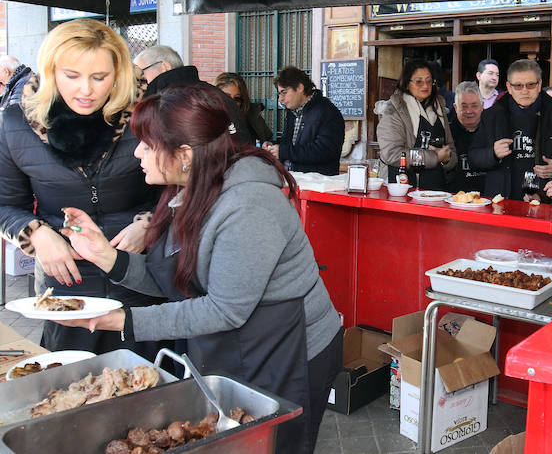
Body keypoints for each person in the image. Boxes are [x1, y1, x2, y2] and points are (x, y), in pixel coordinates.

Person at [58, 85, 343, 454]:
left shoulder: (247, 205)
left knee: (275, 446)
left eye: (147, 144)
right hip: (243, 344)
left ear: (186, 154)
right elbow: (180, 279)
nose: (138, 153)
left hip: (291, 351)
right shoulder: (194, 189)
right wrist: (105, 257)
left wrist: (123, 320)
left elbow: (224, 308)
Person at [0, 19, 166, 358]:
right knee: (76, 387)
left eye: (99, 78)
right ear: (51, 71)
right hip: (66, 284)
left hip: (139, 273)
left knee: (150, 386)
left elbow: (181, 188)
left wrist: (149, 223)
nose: (86, 90)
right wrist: (36, 235)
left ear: (118, 74)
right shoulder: (15, 122)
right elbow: (4, 205)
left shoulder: (147, 115)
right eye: (72, 76)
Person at [469, 58, 552, 200]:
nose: (525, 91)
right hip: (501, 199)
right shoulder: (492, 115)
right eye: (518, 86)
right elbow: (473, 158)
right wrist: (492, 153)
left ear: (539, 85)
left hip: (543, 199)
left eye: (530, 85)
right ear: (508, 87)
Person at [133, 45, 252, 145]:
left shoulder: (174, 101)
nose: (138, 80)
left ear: (164, 66)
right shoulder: (210, 94)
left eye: (140, 72)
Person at [377, 59, 456, 189]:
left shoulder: (439, 108)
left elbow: (451, 150)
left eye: (429, 80)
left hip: (439, 191)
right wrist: (434, 157)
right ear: (407, 84)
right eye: (418, 81)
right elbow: (392, 154)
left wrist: (446, 158)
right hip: (405, 190)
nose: (425, 85)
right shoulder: (394, 110)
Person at [264, 66, 345, 176]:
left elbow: (325, 151)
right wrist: (274, 147)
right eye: (279, 94)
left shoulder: (328, 112)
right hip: (291, 179)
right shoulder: (292, 112)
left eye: (284, 92)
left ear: (300, 88)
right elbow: (292, 144)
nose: (280, 99)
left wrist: (284, 151)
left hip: (316, 184)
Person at [214, 72, 273, 146]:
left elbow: (267, 139)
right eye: (226, 97)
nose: (231, 103)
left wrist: (267, 145)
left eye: (237, 98)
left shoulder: (251, 115)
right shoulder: (207, 118)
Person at [449, 81, 486, 193]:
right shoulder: (447, 133)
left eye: (474, 105)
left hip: (488, 199)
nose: (469, 111)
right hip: (454, 199)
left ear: (482, 106)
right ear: (455, 107)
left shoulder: (492, 132)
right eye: (463, 106)